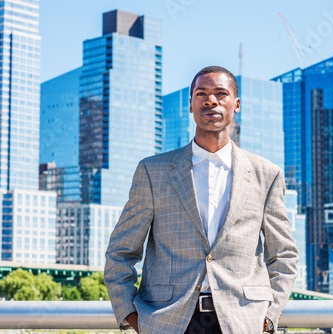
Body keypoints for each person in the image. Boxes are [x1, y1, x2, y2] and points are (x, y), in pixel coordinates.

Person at [104, 66, 298, 334]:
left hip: (242, 322)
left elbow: (284, 255)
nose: (211, 100)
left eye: (221, 93)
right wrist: (131, 314)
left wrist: (268, 316)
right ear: (191, 105)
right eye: (201, 94)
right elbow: (120, 252)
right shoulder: (153, 171)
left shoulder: (267, 174)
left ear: (236, 104)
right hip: (167, 321)